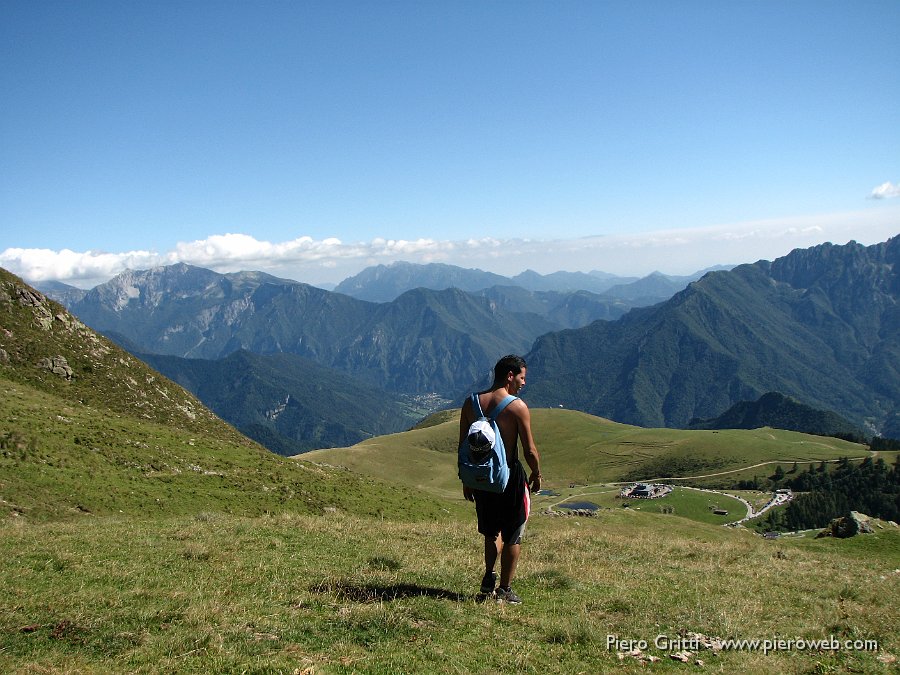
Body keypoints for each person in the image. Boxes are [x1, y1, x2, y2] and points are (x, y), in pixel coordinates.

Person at [459, 354, 541, 604]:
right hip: (509, 476)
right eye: (522, 377)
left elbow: (463, 444)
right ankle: (504, 589)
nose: (523, 383)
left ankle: (488, 576)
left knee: (491, 531)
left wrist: (467, 480)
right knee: (513, 532)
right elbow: (529, 450)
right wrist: (536, 473)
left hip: (482, 475)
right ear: (510, 376)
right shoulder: (517, 407)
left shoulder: (471, 403)